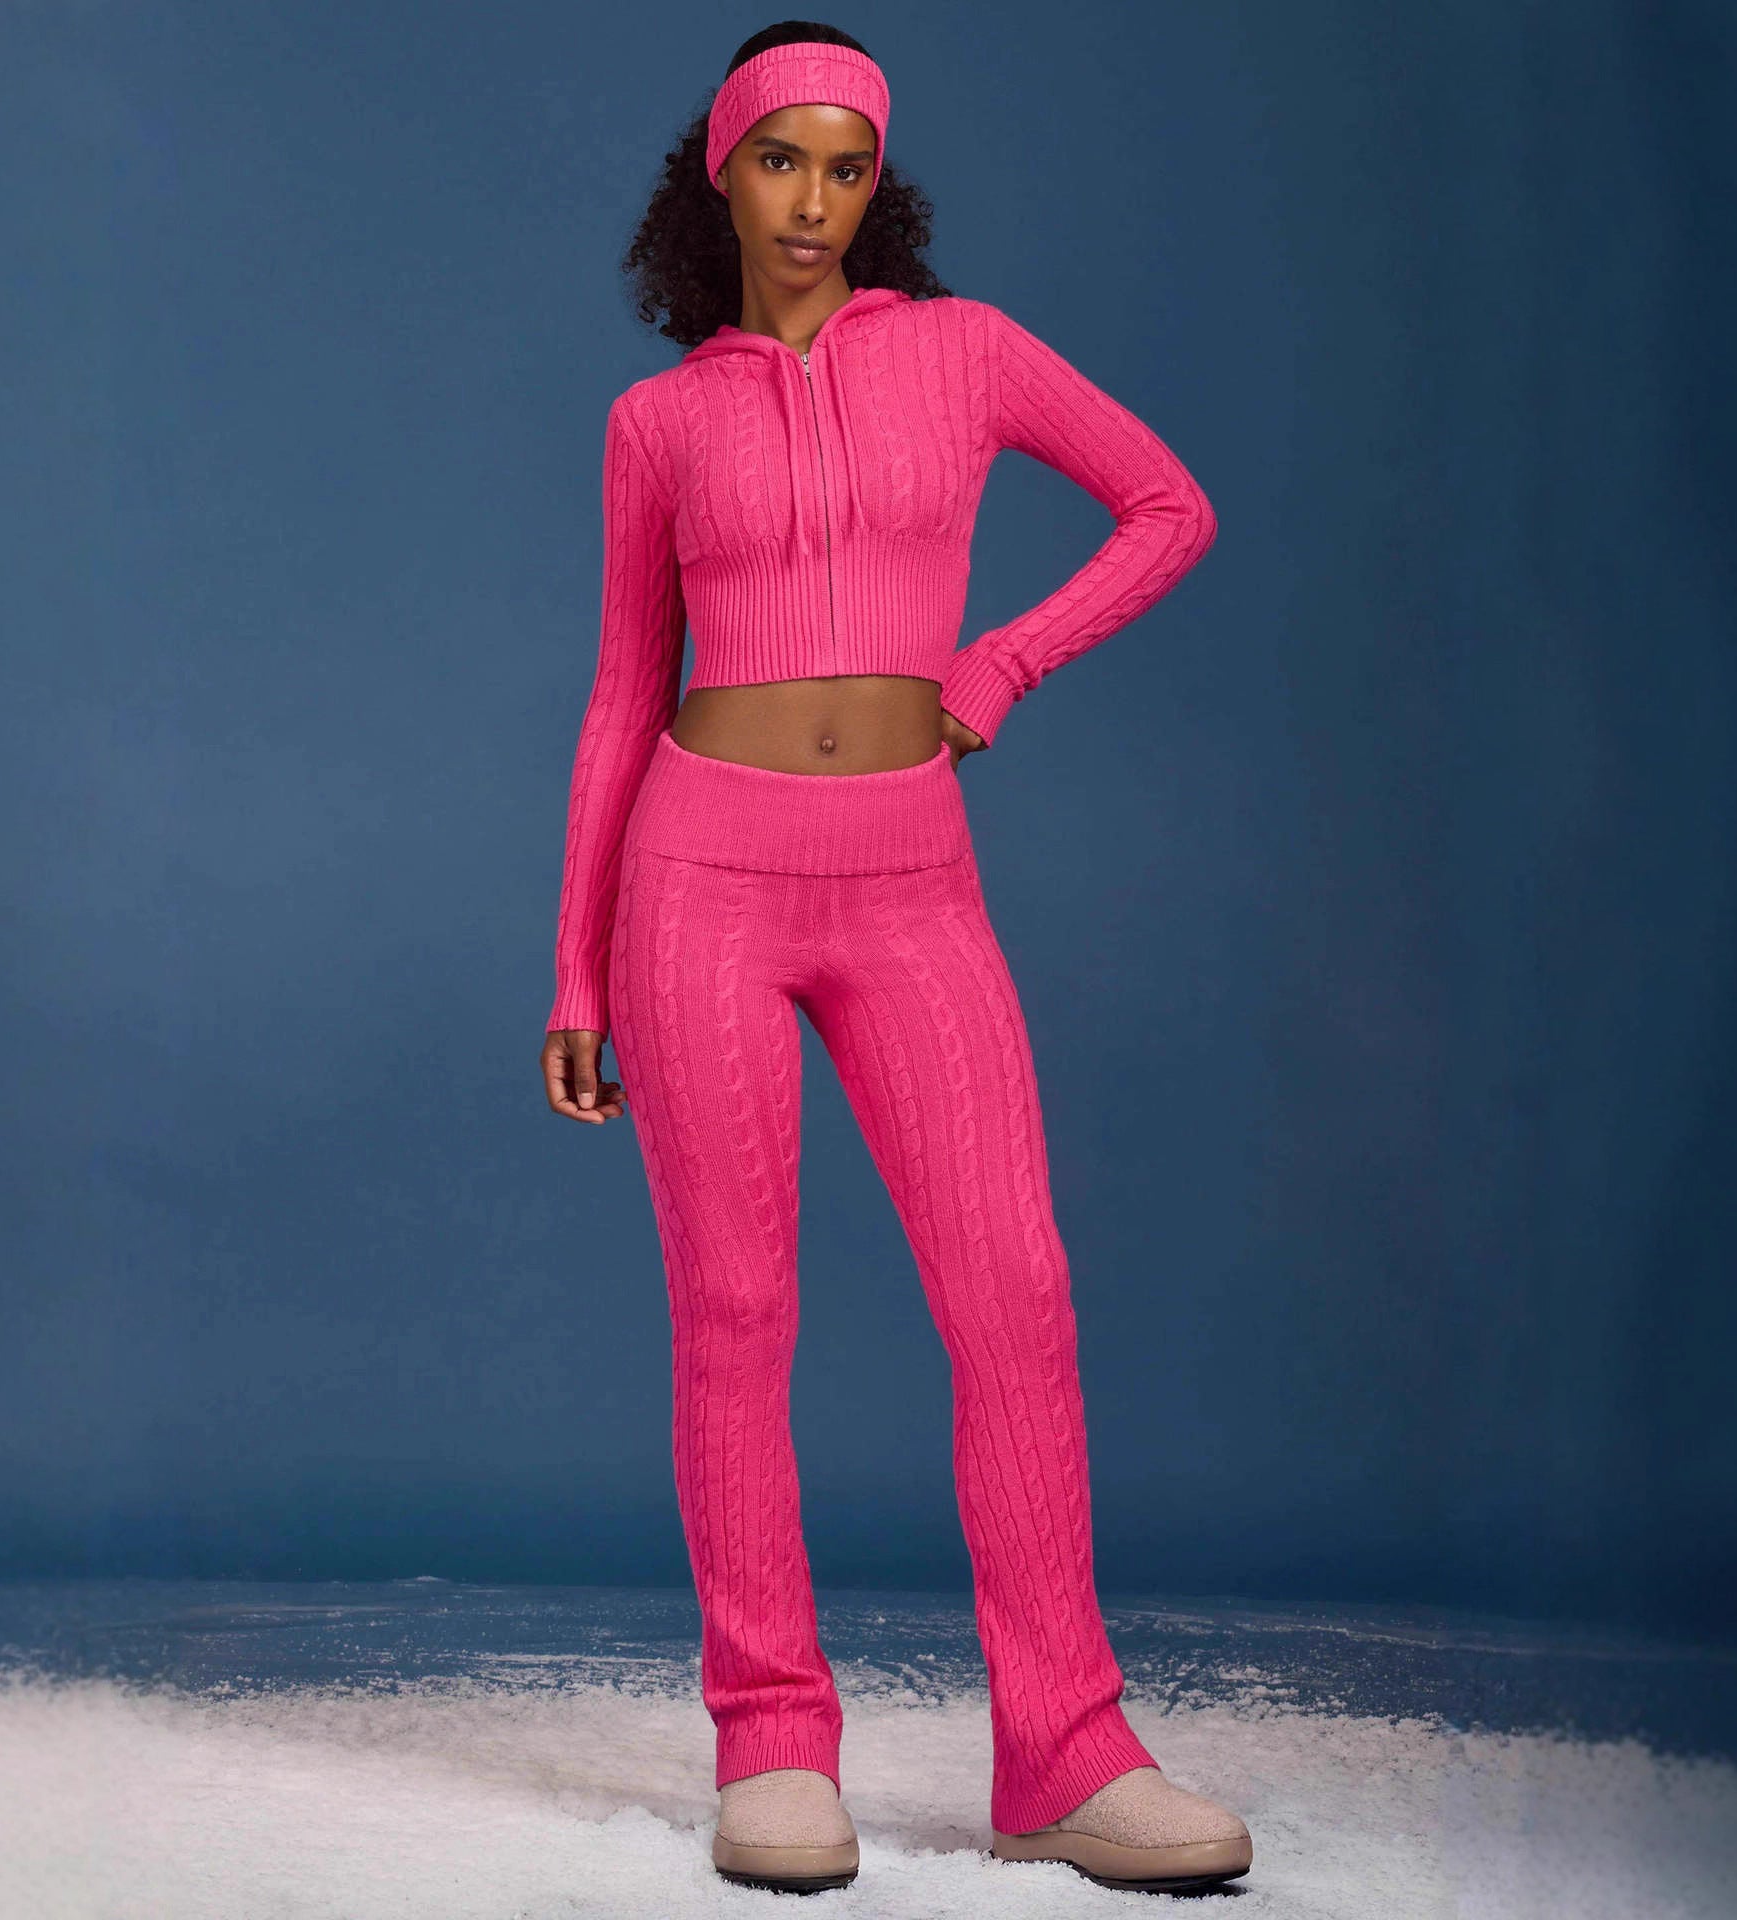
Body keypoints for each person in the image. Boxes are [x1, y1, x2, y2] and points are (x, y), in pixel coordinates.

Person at [539, 21, 1250, 1897]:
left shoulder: (968, 351)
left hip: (911, 883)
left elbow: (1169, 507)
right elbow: (622, 696)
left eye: (846, 166)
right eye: (781, 159)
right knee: (736, 1312)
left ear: (880, 185)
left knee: (1014, 1292)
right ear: (721, 173)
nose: (814, 199)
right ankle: (772, 1739)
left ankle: (1068, 1750)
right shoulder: (659, 423)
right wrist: (575, 971)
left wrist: (997, 663)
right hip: (696, 880)